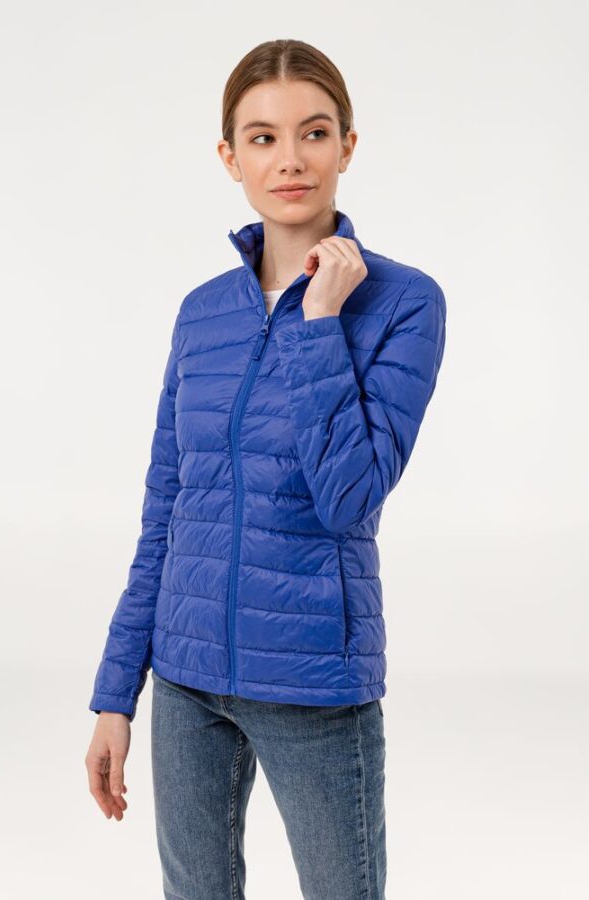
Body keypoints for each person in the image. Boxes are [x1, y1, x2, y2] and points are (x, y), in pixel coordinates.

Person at [85, 38, 447, 900]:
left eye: (314, 133)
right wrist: (116, 692)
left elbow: (349, 496)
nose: (290, 159)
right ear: (230, 158)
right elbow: (166, 511)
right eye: (262, 138)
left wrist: (320, 322)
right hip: (185, 683)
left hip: (314, 682)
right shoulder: (202, 314)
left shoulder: (404, 304)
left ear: (347, 147)